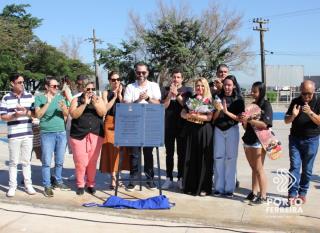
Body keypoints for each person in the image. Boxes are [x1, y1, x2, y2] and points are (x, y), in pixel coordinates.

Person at [123, 62, 161, 191]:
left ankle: (150, 179)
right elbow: (126, 106)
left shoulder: (154, 86)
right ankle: (133, 180)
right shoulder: (130, 87)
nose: (141, 75)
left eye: (143, 72)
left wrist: (148, 98)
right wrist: (138, 100)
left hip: (149, 124)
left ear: (148, 73)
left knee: (148, 153)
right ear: (135, 72)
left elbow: (158, 104)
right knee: (134, 154)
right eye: (138, 72)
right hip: (134, 124)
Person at [0, 73, 36, 197]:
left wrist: (25, 112)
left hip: (27, 134)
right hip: (14, 135)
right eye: (19, 82)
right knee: (14, 162)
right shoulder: (6, 98)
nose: (22, 84)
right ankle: (12, 186)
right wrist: (14, 115)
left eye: (23, 82)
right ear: (12, 83)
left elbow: (35, 113)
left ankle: (28, 185)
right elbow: (3, 117)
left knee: (26, 161)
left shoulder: (30, 96)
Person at [284, 80, 320, 205]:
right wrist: (293, 115)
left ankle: (302, 193)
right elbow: (286, 121)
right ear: (300, 91)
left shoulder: (318, 101)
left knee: (307, 169)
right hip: (295, 140)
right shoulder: (295, 101)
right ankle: (292, 194)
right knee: (294, 167)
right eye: (304, 93)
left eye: (309, 94)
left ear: (314, 91)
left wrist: (310, 112)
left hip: (312, 140)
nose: (306, 97)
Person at [69, 80, 107, 195]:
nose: (90, 91)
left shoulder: (98, 99)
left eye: (92, 89)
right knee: (81, 161)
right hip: (78, 135)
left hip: (95, 134)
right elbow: (73, 114)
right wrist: (85, 104)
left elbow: (102, 113)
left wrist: (95, 104)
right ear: (83, 89)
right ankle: (80, 184)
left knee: (92, 161)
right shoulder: (76, 100)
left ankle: (91, 184)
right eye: (88, 89)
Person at [34, 76, 70, 197]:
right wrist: (48, 103)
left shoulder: (60, 98)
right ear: (47, 87)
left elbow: (67, 114)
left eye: (57, 86)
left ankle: (58, 181)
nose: (56, 88)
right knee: (46, 162)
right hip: (47, 133)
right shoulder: (39, 98)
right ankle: (47, 186)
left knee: (59, 160)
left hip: (61, 132)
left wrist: (64, 108)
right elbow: (38, 115)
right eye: (54, 86)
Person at [212, 75, 244, 197]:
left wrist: (226, 112)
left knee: (231, 159)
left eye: (229, 85)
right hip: (218, 130)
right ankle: (218, 187)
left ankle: (229, 188)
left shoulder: (238, 100)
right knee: (218, 158)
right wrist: (218, 110)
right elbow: (213, 118)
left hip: (231, 129)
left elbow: (239, 119)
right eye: (225, 84)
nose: (227, 87)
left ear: (234, 86)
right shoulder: (217, 97)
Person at [240, 82, 273, 204]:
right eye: (252, 91)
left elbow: (265, 124)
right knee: (253, 168)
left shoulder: (266, 105)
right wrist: (244, 120)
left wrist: (250, 119)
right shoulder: (251, 105)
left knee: (259, 169)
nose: (252, 93)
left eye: (255, 91)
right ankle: (254, 192)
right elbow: (245, 127)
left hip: (259, 141)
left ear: (261, 92)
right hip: (248, 139)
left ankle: (263, 196)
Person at [180, 78, 213, 196]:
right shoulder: (191, 99)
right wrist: (188, 115)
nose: (200, 88)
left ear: (206, 87)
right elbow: (182, 113)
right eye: (198, 86)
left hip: (204, 131)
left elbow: (209, 117)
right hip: (192, 131)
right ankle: (190, 186)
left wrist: (198, 116)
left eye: (202, 86)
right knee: (191, 157)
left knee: (204, 158)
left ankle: (204, 187)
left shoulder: (210, 100)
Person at [161, 69, 192, 190]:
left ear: (182, 79)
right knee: (169, 153)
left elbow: (188, 106)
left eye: (178, 77)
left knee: (181, 153)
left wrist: (177, 95)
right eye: (174, 77)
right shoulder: (165, 90)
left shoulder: (187, 91)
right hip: (169, 126)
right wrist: (170, 95)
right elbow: (163, 106)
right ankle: (168, 178)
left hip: (182, 127)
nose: (176, 79)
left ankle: (180, 178)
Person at [100, 71, 130, 189]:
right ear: (109, 81)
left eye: (118, 79)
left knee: (121, 150)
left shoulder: (125, 91)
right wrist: (115, 97)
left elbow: (127, 107)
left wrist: (121, 97)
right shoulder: (105, 93)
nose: (116, 81)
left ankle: (119, 176)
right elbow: (105, 108)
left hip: (122, 122)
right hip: (109, 122)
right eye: (113, 79)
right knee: (111, 149)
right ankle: (113, 179)